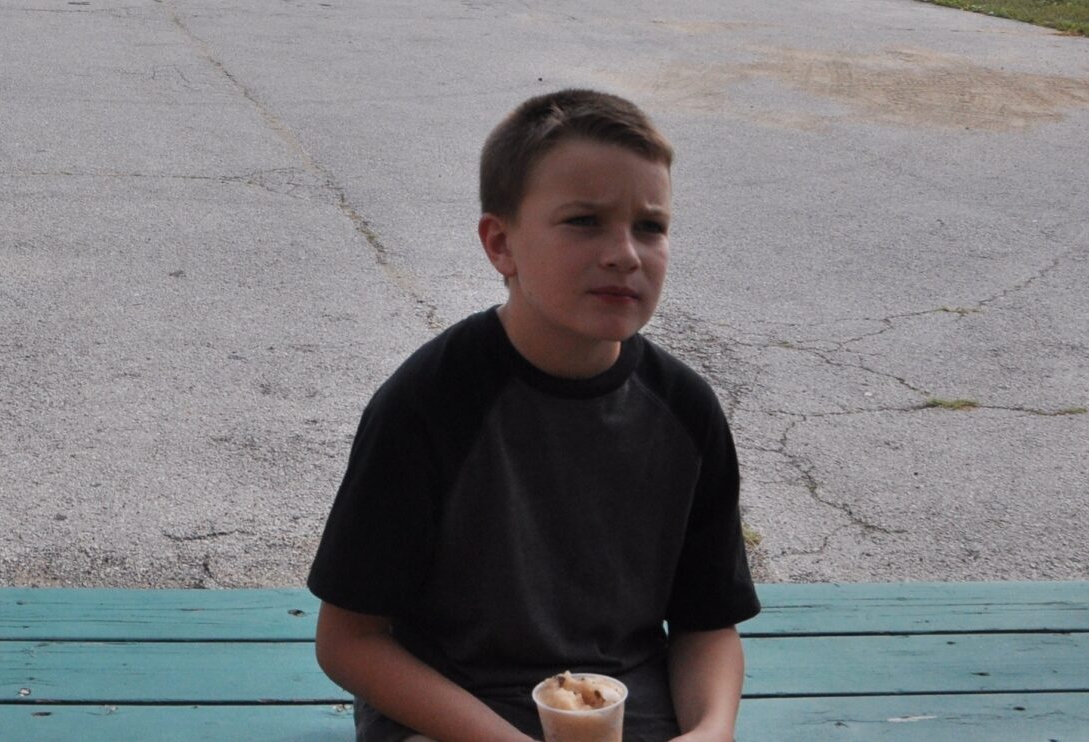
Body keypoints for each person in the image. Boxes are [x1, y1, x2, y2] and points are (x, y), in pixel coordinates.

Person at [305, 89, 760, 742]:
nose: (625, 253)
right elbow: (348, 641)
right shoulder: (428, 404)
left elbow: (706, 626)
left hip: (628, 711)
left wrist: (711, 731)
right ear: (501, 244)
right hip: (452, 715)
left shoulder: (686, 412)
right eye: (584, 221)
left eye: (650, 226)